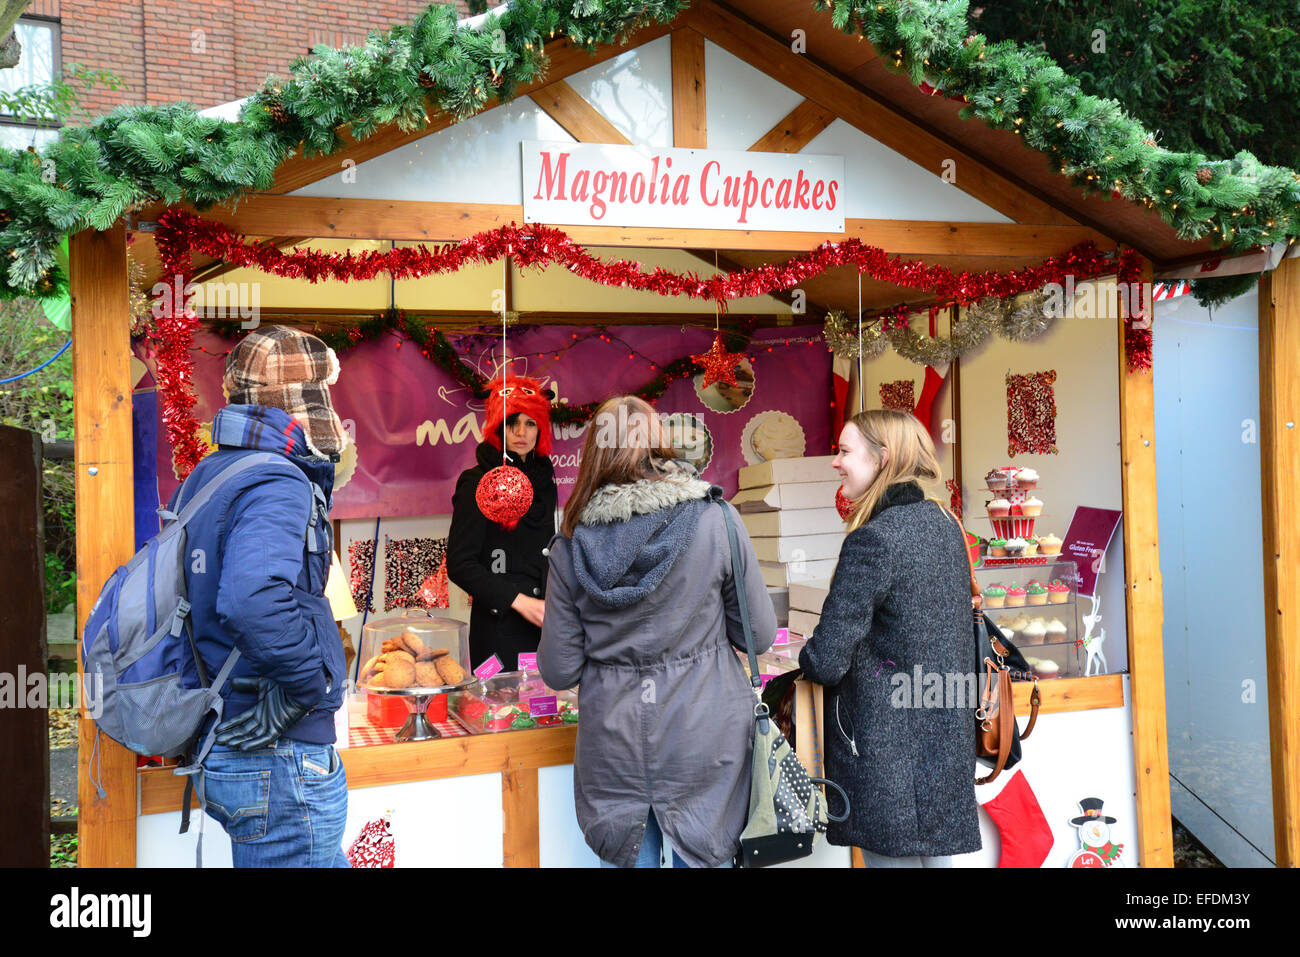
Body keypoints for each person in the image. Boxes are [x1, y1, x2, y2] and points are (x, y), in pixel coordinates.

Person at [538, 395, 776, 868]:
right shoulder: (717, 519)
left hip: (613, 744)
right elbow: (758, 635)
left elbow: (559, 670)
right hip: (705, 733)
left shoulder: (569, 544)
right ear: (661, 446)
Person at [176, 325, 350, 868]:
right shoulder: (278, 480)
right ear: (305, 411)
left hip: (234, 740)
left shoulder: (210, 474)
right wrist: (306, 684)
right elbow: (251, 598)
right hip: (279, 755)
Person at [798, 408, 980, 867]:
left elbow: (826, 660)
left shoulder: (873, 539)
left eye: (844, 451)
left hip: (885, 751)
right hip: (942, 738)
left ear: (882, 458)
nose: (835, 462)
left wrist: (805, 649)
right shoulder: (944, 524)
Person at [447, 373, 558, 671]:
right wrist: (519, 601)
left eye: (530, 423)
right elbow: (460, 564)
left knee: (545, 714)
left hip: (546, 627)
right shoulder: (477, 481)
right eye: (512, 422)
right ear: (498, 427)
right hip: (499, 628)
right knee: (497, 714)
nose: (522, 432)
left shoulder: (546, 481)